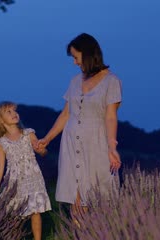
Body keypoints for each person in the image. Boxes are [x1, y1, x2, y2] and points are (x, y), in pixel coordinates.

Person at [37, 33, 122, 221]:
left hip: (96, 143)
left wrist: (112, 147)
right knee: (76, 199)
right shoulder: (75, 81)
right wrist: (48, 138)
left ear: (88, 54)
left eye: (76, 57)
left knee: (101, 195)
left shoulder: (111, 81)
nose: (74, 62)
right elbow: (66, 114)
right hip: (71, 143)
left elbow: (110, 116)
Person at [0, 101, 51, 240]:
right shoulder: (1, 142)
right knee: (16, 213)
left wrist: (41, 150)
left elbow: (41, 151)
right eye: (8, 112)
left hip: (33, 177)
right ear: (0, 120)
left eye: (14, 110)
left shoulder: (28, 133)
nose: (13, 113)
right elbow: (0, 167)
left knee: (35, 210)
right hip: (15, 180)